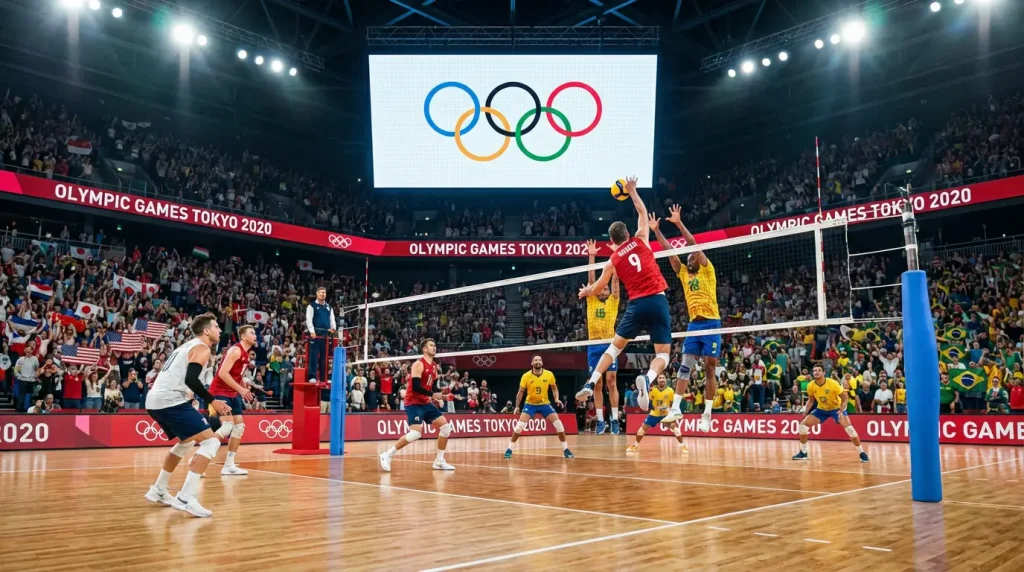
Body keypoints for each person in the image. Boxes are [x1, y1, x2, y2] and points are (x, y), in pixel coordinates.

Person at [577, 177, 672, 416]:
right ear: (627, 233)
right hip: (658, 300)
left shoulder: (612, 260)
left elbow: (598, 288)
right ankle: (648, 380)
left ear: (611, 241)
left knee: (614, 348)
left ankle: (591, 381)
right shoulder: (641, 238)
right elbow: (641, 210)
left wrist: (587, 291)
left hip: (637, 304)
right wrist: (632, 191)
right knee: (663, 354)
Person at [144, 313, 234, 517]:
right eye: (216, 327)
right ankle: (185, 498)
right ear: (207, 330)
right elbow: (191, 379)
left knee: (186, 442)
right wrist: (213, 400)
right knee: (211, 443)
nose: (220, 330)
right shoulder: (202, 348)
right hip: (169, 400)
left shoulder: (185, 346)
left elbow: (182, 378)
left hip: (155, 400)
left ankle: (158, 490)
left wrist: (189, 396)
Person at [650, 205, 720, 432]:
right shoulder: (683, 273)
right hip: (693, 324)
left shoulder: (707, 270)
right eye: (688, 257)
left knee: (710, 367)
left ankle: (707, 413)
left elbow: (693, 245)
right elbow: (671, 253)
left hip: (711, 322)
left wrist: (679, 223)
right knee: (685, 365)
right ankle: (676, 408)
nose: (690, 258)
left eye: (693, 256)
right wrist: (657, 231)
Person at [379, 339, 454, 472]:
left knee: (446, 428)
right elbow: (417, 387)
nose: (434, 347)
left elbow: (435, 387)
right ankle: (387, 455)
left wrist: (442, 396)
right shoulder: (418, 364)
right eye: (431, 345)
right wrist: (433, 395)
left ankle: (439, 461)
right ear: (424, 349)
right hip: (413, 403)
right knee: (415, 434)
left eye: (435, 345)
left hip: (425, 402)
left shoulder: (434, 367)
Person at [793, 365, 869, 463]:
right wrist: (805, 411)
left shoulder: (833, 383)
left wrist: (843, 407)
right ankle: (803, 453)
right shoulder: (811, 385)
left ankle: (862, 453)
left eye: (819, 370)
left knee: (850, 430)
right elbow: (811, 400)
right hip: (821, 410)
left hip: (836, 409)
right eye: (815, 370)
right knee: (802, 426)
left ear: (824, 373)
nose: (816, 372)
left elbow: (844, 396)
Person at [208, 324, 257, 476]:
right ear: (243, 337)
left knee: (239, 427)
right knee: (228, 426)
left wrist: (243, 385)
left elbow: (237, 375)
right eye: (252, 333)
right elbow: (222, 373)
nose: (255, 335)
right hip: (220, 391)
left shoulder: (246, 354)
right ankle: (200, 456)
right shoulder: (235, 350)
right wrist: (241, 389)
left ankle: (229, 465)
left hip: (233, 392)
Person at [584, 238, 622, 435]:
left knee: (611, 382)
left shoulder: (613, 301)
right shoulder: (591, 300)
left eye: (605, 288)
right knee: (596, 384)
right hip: (593, 345)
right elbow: (592, 281)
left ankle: (615, 419)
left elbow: (615, 280)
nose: (603, 289)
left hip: (609, 345)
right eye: (602, 288)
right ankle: (600, 421)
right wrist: (592, 255)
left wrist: (615, 255)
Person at [504, 355, 573, 459]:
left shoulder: (549, 374)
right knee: (519, 426)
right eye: (535, 360)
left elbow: (554, 388)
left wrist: (556, 399)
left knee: (559, 425)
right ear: (532, 363)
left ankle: (566, 449)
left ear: (542, 363)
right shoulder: (526, 376)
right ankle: (509, 449)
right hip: (530, 404)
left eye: (539, 360)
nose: (537, 362)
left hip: (545, 404)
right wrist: (517, 406)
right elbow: (520, 392)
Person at [627, 374, 687, 452]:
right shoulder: (652, 390)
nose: (661, 380)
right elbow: (649, 402)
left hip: (666, 415)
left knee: (675, 428)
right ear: (657, 380)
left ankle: (683, 446)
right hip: (654, 414)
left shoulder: (670, 391)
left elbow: (673, 404)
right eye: (660, 378)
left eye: (663, 378)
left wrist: (671, 410)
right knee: (641, 430)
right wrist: (654, 407)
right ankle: (635, 445)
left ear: (666, 380)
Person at [305, 286, 337, 383]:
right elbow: (309, 319)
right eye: (320, 292)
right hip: (315, 334)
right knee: (313, 356)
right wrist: (312, 331)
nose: (322, 294)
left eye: (324, 292)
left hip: (325, 336)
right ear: (317, 294)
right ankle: (312, 376)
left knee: (324, 358)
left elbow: (332, 320)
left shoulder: (329, 307)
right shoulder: (311, 306)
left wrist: (333, 328)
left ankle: (324, 378)